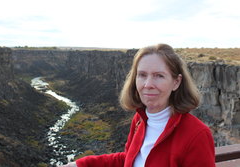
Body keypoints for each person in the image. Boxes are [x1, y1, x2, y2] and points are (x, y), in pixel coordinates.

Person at [59, 44, 215, 167]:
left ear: (176, 82)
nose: (148, 84)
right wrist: (81, 164)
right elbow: (130, 160)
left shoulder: (197, 135)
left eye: (159, 76)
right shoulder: (140, 120)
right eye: (142, 75)